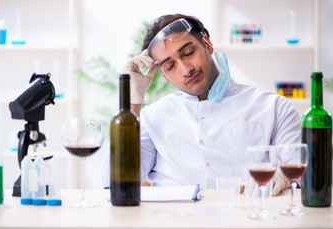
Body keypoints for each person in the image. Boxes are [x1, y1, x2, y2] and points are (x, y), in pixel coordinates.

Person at [102, 14, 301, 196]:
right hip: (170, 226)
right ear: (163, 74)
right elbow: (114, 183)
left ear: (207, 44)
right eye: (170, 66)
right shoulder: (151, 117)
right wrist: (132, 103)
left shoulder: (275, 107)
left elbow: (299, 175)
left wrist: (282, 178)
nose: (185, 69)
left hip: (244, 222)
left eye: (188, 52)